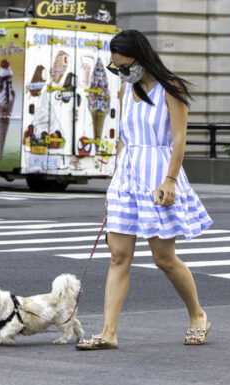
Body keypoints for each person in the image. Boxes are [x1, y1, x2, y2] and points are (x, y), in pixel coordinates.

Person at [76, 30, 213, 350]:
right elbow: (124, 138)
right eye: (116, 69)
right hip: (127, 177)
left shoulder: (171, 88)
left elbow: (179, 140)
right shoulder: (126, 91)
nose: (121, 73)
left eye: (125, 67)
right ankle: (109, 333)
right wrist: (115, 182)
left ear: (142, 56)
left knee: (163, 258)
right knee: (118, 255)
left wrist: (170, 180)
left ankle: (198, 315)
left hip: (158, 176)